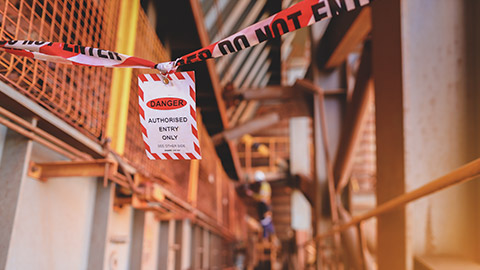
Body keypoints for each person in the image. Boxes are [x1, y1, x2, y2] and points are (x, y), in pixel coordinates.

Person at [247, 171, 275, 239]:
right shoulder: (266, 185)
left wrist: (252, 194)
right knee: (266, 224)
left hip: (264, 206)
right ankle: (266, 237)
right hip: (265, 206)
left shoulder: (264, 186)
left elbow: (261, 197)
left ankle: (266, 237)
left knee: (266, 224)